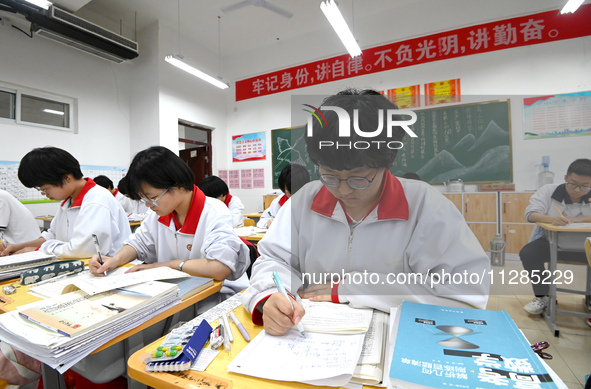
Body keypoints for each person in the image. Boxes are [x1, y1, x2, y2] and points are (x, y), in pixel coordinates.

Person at [242, 88, 491, 336]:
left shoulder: (426, 207)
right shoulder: (305, 200)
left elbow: (466, 296)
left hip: (396, 340)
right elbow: (274, 260)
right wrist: (272, 295)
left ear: (386, 162)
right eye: (329, 175)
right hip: (312, 335)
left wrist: (355, 289)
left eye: (358, 178)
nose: (341, 189)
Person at [89, 146, 249, 301]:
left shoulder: (213, 211)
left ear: (178, 185)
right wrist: (114, 260)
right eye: (143, 198)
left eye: (151, 197)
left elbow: (219, 268)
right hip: (178, 294)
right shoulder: (158, 214)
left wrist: (164, 266)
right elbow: (138, 244)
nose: (147, 204)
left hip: (217, 297)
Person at [1, 147, 131, 258]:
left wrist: (38, 251)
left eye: (46, 189)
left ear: (67, 178)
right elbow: (51, 235)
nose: (45, 195)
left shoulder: (96, 200)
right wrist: (18, 247)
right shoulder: (69, 200)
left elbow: (83, 250)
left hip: (108, 270)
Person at [521, 158, 591, 317]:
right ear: (565, 178)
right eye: (573, 183)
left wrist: (579, 220)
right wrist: (552, 219)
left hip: (586, 246)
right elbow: (531, 214)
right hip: (553, 243)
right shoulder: (549, 191)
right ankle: (543, 296)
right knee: (528, 253)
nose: (578, 189)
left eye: (585, 185)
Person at [257, 164, 310, 229]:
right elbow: (262, 220)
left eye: (294, 191)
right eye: (287, 191)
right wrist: (268, 223)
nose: (289, 195)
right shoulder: (279, 201)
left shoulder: (313, 202)